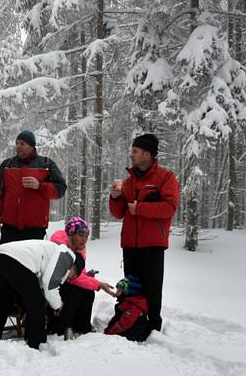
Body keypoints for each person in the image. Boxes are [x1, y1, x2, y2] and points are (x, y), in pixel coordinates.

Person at [109, 134, 179, 333]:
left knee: (152, 289)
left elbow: (169, 208)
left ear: (147, 154)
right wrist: (115, 198)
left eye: (135, 151)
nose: (131, 154)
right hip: (130, 244)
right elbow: (118, 213)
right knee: (131, 286)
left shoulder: (166, 178)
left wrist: (140, 209)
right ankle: (131, 320)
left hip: (153, 244)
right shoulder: (128, 182)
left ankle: (153, 326)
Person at [0, 239, 83, 350]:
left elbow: (37, 283)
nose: (72, 278)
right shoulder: (67, 256)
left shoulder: (51, 252)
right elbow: (50, 284)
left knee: (3, 300)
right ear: (74, 267)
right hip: (16, 260)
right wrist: (58, 305)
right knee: (38, 303)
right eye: (75, 275)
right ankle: (37, 344)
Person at [0, 130, 67, 244]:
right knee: (6, 261)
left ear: (31, 146)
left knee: (30, 262)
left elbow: (61, 189)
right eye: (17, 143)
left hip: (35, 228)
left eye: (22, 144)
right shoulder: (7, 165)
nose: (18, 146)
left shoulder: (46, 164)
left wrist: (39, 186)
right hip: (9, 228)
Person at [48, 217, 116, 338]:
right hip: (51, 288)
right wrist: (98, 284)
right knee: (75, 290)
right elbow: (74, 278)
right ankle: (61, 327)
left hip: (66, 284)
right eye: (80, 235)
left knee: (88, 291)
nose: (84, 239)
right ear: (71, 234)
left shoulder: (79, 250)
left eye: (86, 236)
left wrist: (94, 282)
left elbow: (80, 274)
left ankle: (81, 326)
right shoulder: (60, 246)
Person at [104, 275, 150, 342]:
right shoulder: (127, 302)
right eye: (117, 290)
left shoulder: (134, 307)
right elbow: (117, 318)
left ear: (127, 293)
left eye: (119, 291)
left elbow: (122, 325)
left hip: (134, 334)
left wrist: (109, 334)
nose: (116, 293)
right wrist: (108, 330)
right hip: (128, 329)